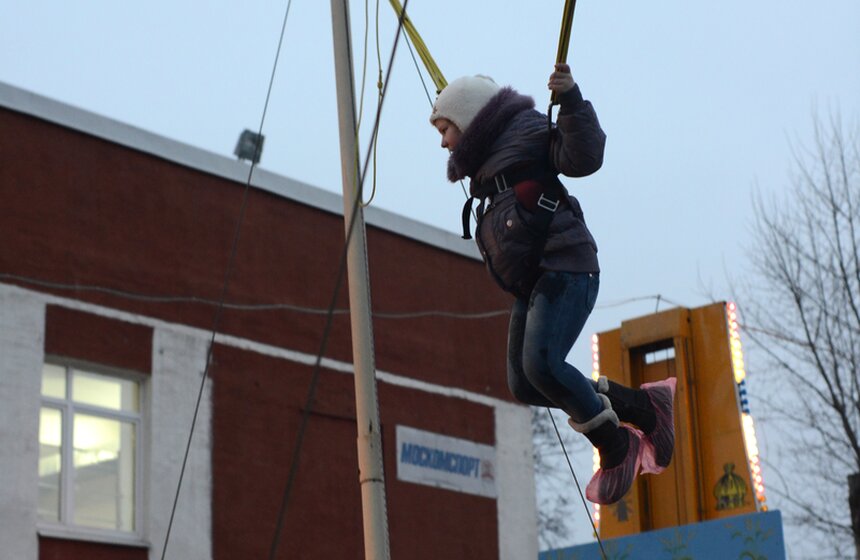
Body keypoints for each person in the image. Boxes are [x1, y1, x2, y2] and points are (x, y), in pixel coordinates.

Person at [429, 64, 676, 504]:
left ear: (467, 120)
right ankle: (642, 407)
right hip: (536, 278)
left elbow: (583, 156)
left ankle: (618, 447)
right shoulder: (486, 160)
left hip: (566, 267)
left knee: (543, 365)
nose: (444, 142)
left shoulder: (525, 132)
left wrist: (571, 99)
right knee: (525, 383)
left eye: (446, 128)